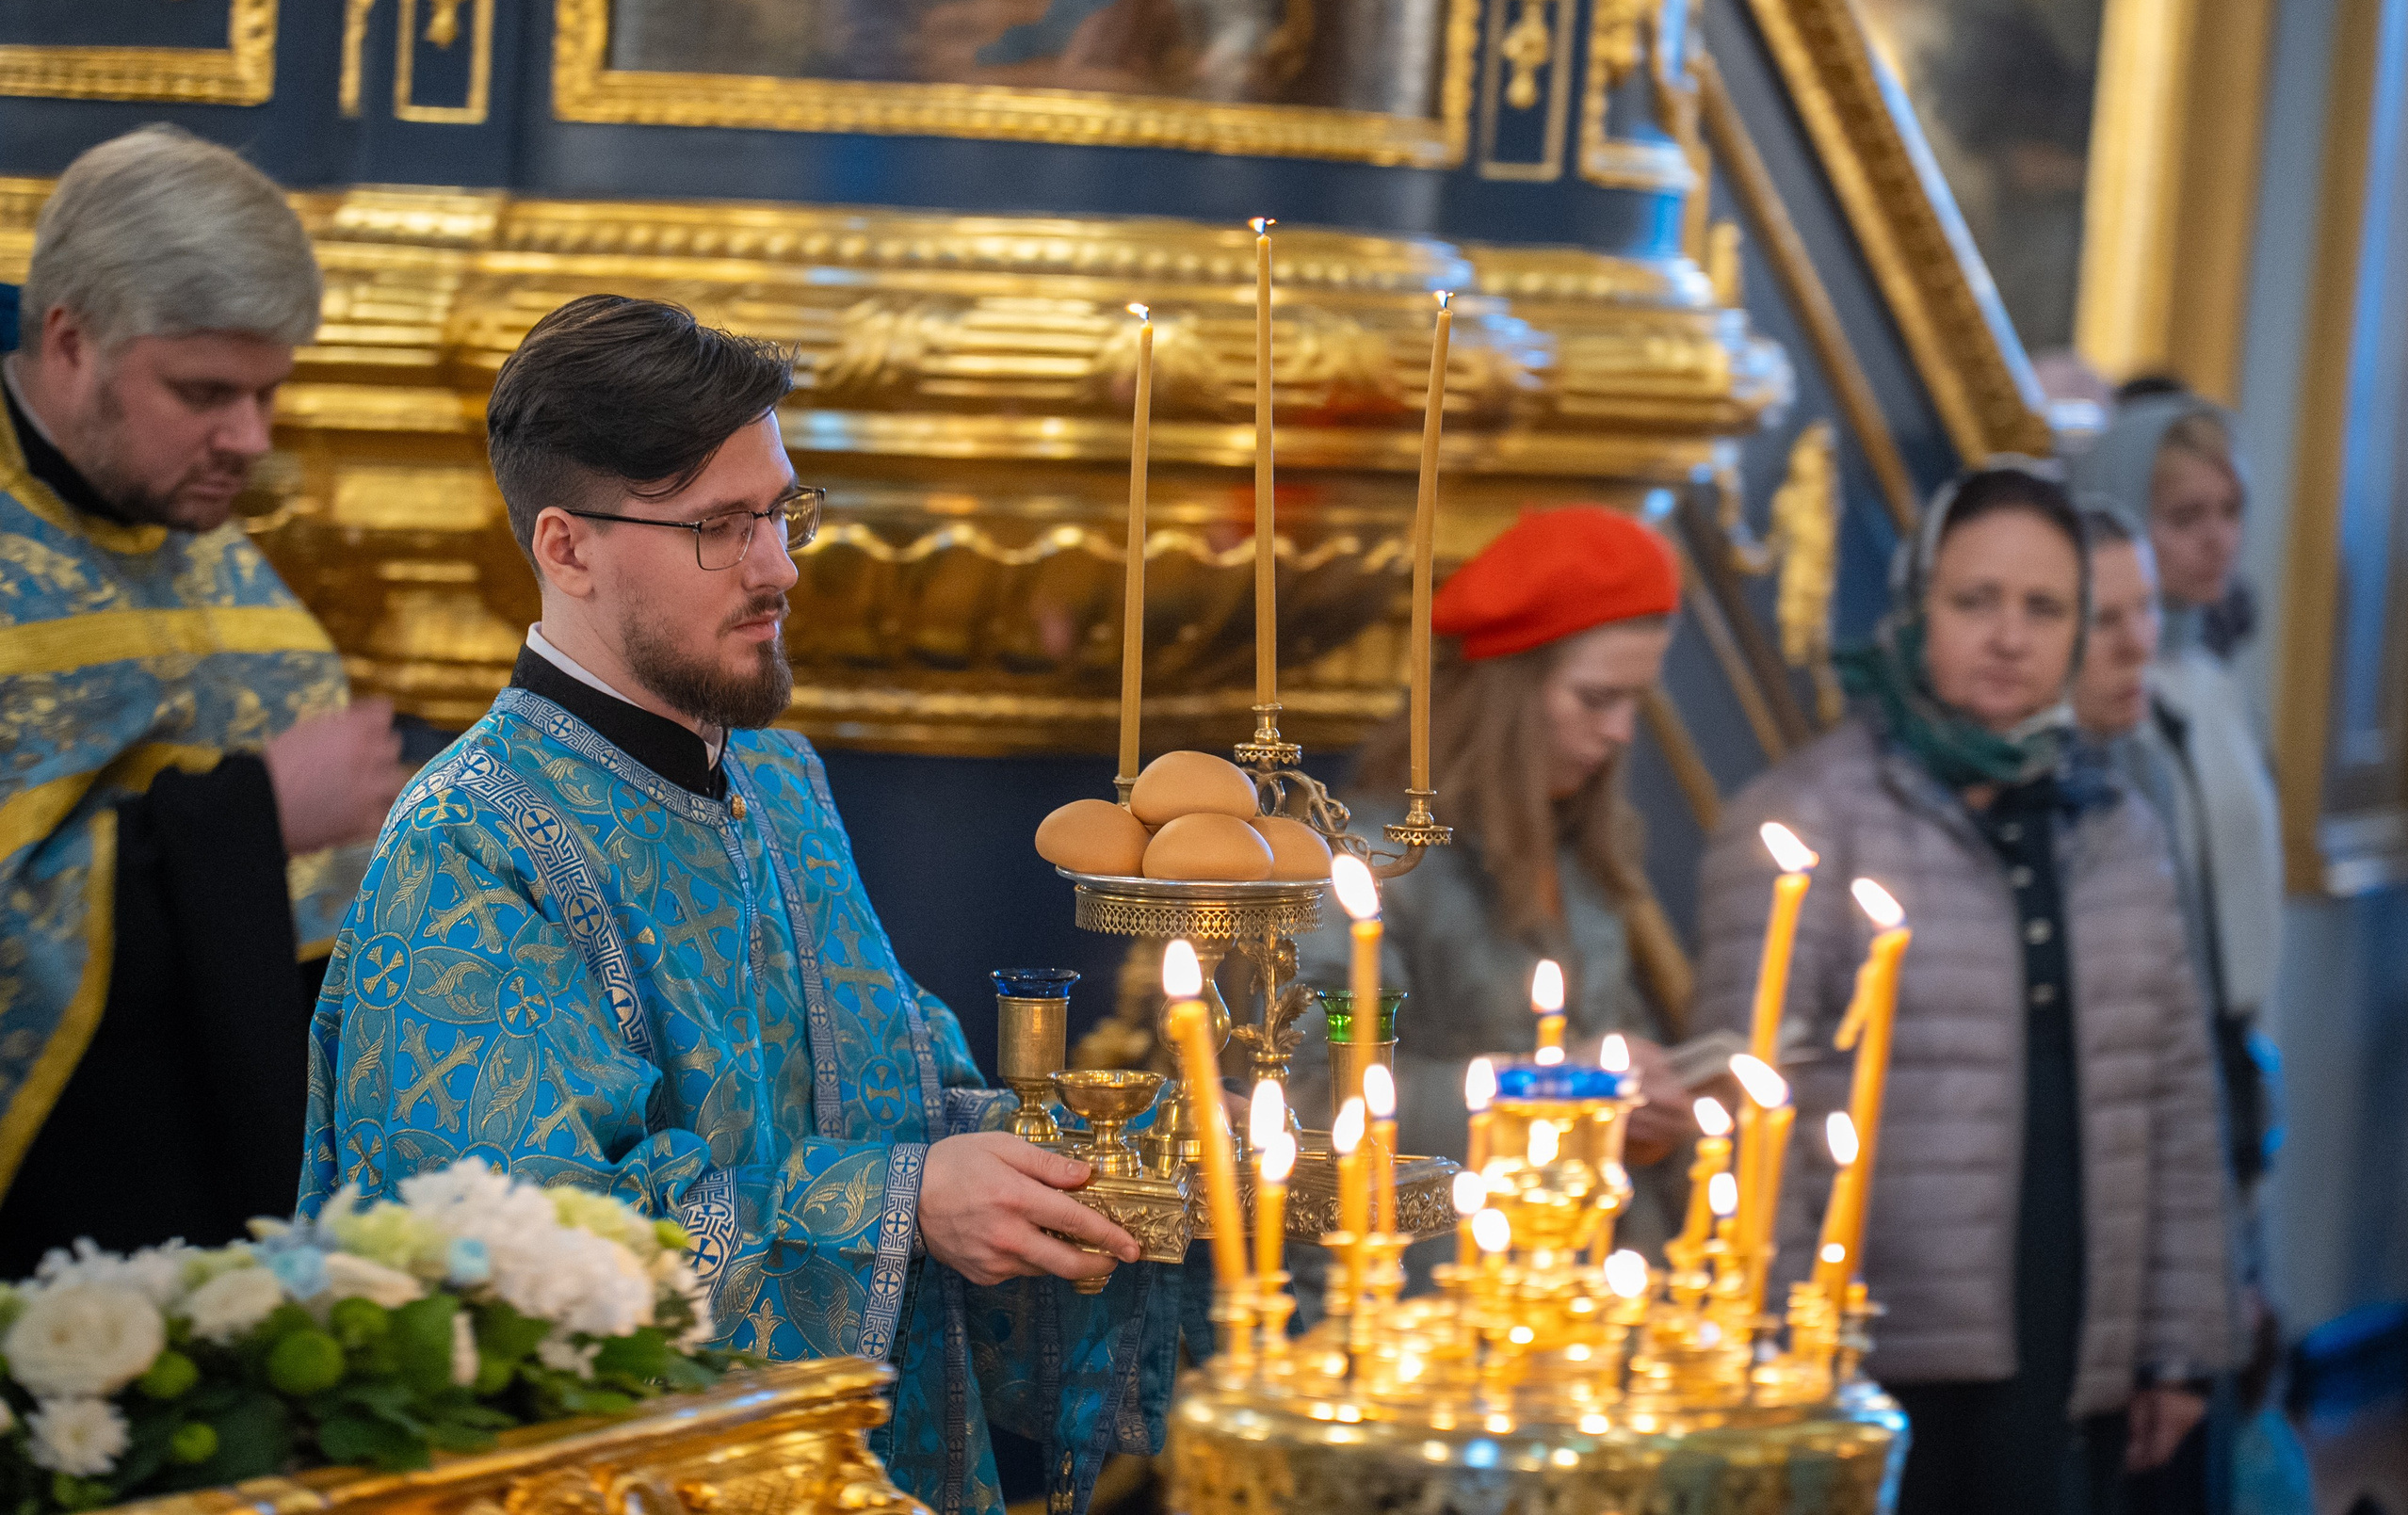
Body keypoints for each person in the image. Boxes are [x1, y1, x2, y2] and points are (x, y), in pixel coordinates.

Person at [301, 295, 1179, 1515]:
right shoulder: (469, 841)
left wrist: (1124, 1163)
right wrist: (901, 1203)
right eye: (721, 527)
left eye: (781, 512)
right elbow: (500, 1267)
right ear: (567, 546)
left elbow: (902, 1096)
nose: (779, 566)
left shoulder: (780, 778)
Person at [1696, 462, 2232, 1515]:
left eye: (2043, 608)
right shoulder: (1808, 817)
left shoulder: (2117, 827)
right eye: (1973, 601)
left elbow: (2172, 1094)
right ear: (1914, 610)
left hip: (2072, 1316)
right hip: (1873, 1344)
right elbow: (1747, 1103)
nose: (2007, 636)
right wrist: (1776, 1344)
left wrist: (2176, 1343)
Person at [0, 126, 409, 1274]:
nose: (250, 440)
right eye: (205, 392)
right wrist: (252, 817)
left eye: (269, 393)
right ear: (71, 341)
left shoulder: (221, 562)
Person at [1292, 505, 1695, 1264]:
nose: (1620, 734)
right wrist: (1550, 1089)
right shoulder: (1367, 868)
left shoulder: (1580, 857)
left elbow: (1601, 1059)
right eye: (1597, 698)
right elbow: (1311, 1100)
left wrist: (1648, 1115)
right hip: (1417, 1302)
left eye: (1636, 701)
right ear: (1506, 694)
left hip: (1570, 1282)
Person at [2066, 390, 2281, 1190]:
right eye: (2186, 514)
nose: (2216, 537)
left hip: (2231, 1040)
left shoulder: (2213, 682)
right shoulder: (2110, 699)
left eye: (2230, 510)